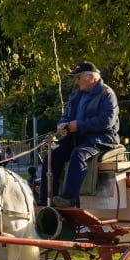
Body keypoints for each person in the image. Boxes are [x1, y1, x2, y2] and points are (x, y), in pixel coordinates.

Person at [39, 61, 120, 207]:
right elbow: (66, 115)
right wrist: (62, 125)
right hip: (77, 138)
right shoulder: (76, 95)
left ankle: (69, 198)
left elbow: (107, 121)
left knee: (78, 154)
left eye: (78, 77)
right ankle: (45, 200)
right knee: (51, 156)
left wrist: (79, 125)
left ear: (91, 77)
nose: (76, 81)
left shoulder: (107, 93)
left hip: (101, 140)